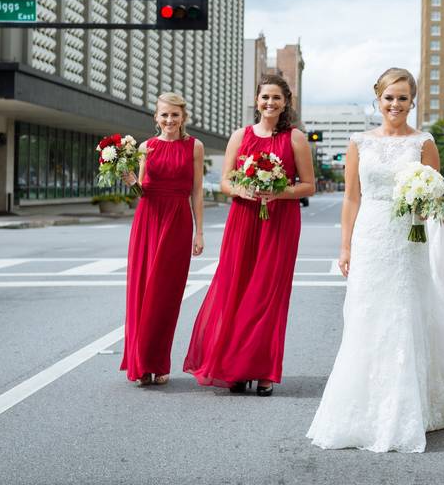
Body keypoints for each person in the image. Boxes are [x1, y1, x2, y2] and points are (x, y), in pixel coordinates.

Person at [307, 68, 444, 453]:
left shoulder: (424, 143)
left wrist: (423, 208)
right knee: (366, 315)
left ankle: (410, 406)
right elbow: (352, 197)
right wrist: (346, 246)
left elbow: (436, 191)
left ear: (412, 101)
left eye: (402, 97)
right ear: (378, 100)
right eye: (388, 97)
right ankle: (364, 408)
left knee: (405, 311)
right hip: (371, 234)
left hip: (408, 236)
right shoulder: (359, 143)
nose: (395, 104)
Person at [183, 75, 315, 396]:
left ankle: (263, 369)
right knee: (237, 290)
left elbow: (308, 185)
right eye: (264, 97)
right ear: (256, 101)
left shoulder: (296, 138)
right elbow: (226, 182)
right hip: (243, 218)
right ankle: (236, 368)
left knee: (267, 295)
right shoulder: (239, 136)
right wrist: (245, 190)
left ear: (286, 103)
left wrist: (277, 192)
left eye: (276, 98)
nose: (270, 103)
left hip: (280, 222)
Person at [120, 93, 205, 386]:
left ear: (184, 118)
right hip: (148, 220)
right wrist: (132, 183)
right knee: (143, 291)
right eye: (164, 115)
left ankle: (159, 362)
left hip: (178, 221)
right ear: (156, 118)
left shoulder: (195, 147)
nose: (170, 120)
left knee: (166, 296)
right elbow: (142, 191)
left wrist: (199, 231)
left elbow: (196, 191)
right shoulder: (146, 147)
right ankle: (142, 364)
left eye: (175, 115)